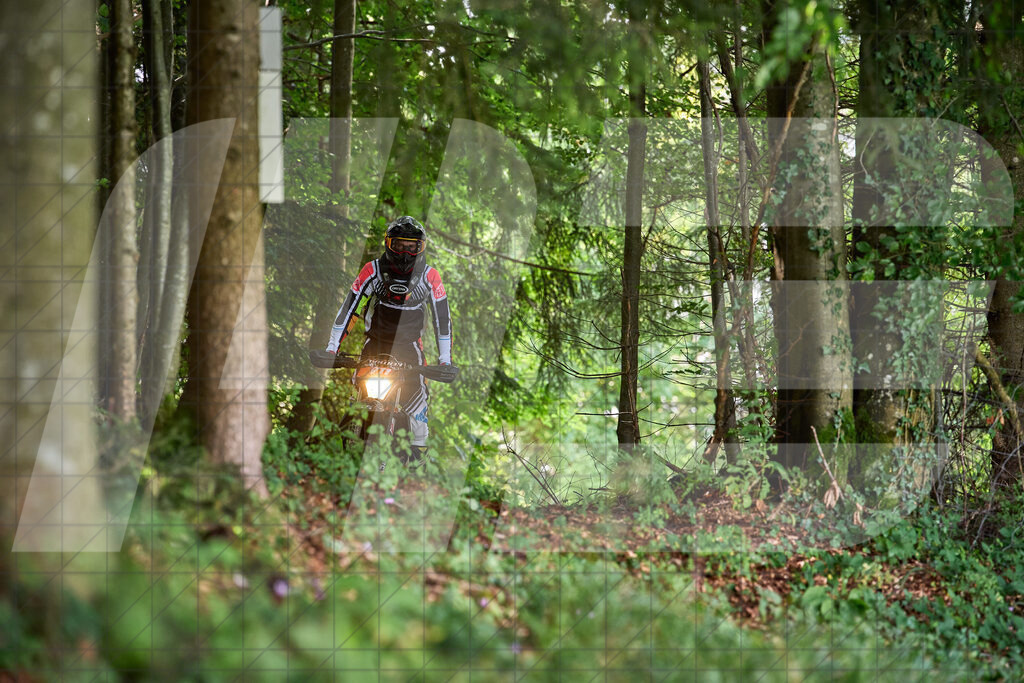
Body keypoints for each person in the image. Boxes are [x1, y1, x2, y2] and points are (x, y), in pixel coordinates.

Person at [326, 216, 452, 456]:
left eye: (412, 247)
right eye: (399, 246)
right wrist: (332, 348)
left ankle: (416, 468)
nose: (405, 253)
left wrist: (445, 361)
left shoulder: (429, 277)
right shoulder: (372, 271)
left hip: (409, 350)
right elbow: (349, 308)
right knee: (356, 397)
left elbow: (442, 319)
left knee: (418, 409)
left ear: (420, 248)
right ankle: (346, 457)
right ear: (388, 244)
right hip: (374, 347)